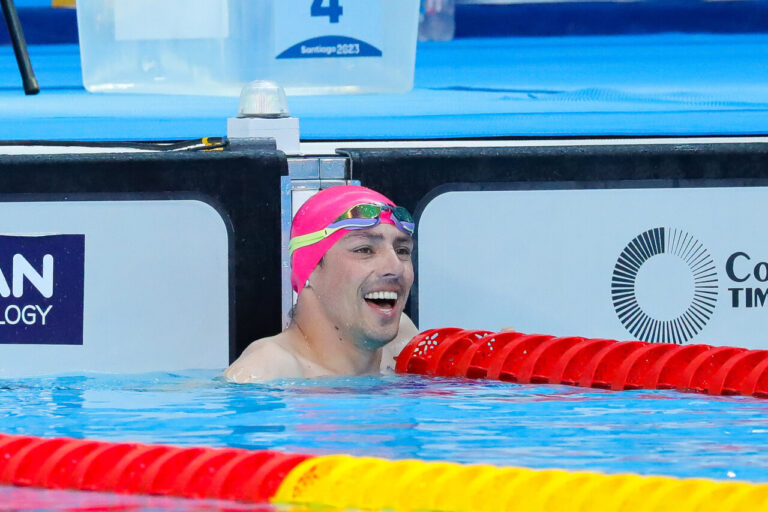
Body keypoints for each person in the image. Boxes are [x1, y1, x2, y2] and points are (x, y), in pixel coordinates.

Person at [225, 185, 419, 382]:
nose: (396, 267)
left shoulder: (402, 346)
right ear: (308, 266)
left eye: (402, 251)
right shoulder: (263, 376)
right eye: (364, 250)